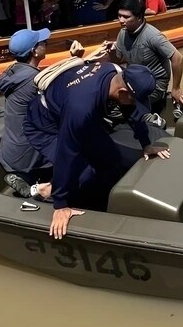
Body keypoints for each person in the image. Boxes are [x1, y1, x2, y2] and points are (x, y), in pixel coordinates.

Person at [27, 62, 171, 239]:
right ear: (123, 92)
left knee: (110, 160)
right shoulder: (80, 107)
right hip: (46, 126)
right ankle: (48, 192)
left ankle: (62, 190)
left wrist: (146, 144)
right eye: (135, 99)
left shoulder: (115, 72)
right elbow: (66, 153)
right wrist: (61, 205)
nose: (135, 103)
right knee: (82, 171)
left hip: (77, 115)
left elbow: (131, 111)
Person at [107, 0, 183, 116]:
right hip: (133, 78)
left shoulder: (153, 36)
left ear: (139, 17)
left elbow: (177, 58)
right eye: (119, 16)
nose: (121, 20)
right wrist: (111, 52)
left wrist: (176, 88)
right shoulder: (122, 33)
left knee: (120, 100)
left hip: (154, 85)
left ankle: (147, 119)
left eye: (126, 17)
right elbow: (116, 60)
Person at [0, 28, 52, 200]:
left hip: (10, 151)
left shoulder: (13, 72)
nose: (46, 44)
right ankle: (34, 185)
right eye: (42, 43)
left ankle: (23, 176)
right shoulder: (34, 81)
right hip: (28, 154)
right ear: (34, 51)